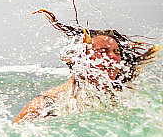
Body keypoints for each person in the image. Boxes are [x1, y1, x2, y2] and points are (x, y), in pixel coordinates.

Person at [13, 8, 159, 123]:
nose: (113, 57)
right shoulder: (47, 103)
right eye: (103, 51)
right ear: (81, 58)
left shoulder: (124, 98)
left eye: (117, 52)